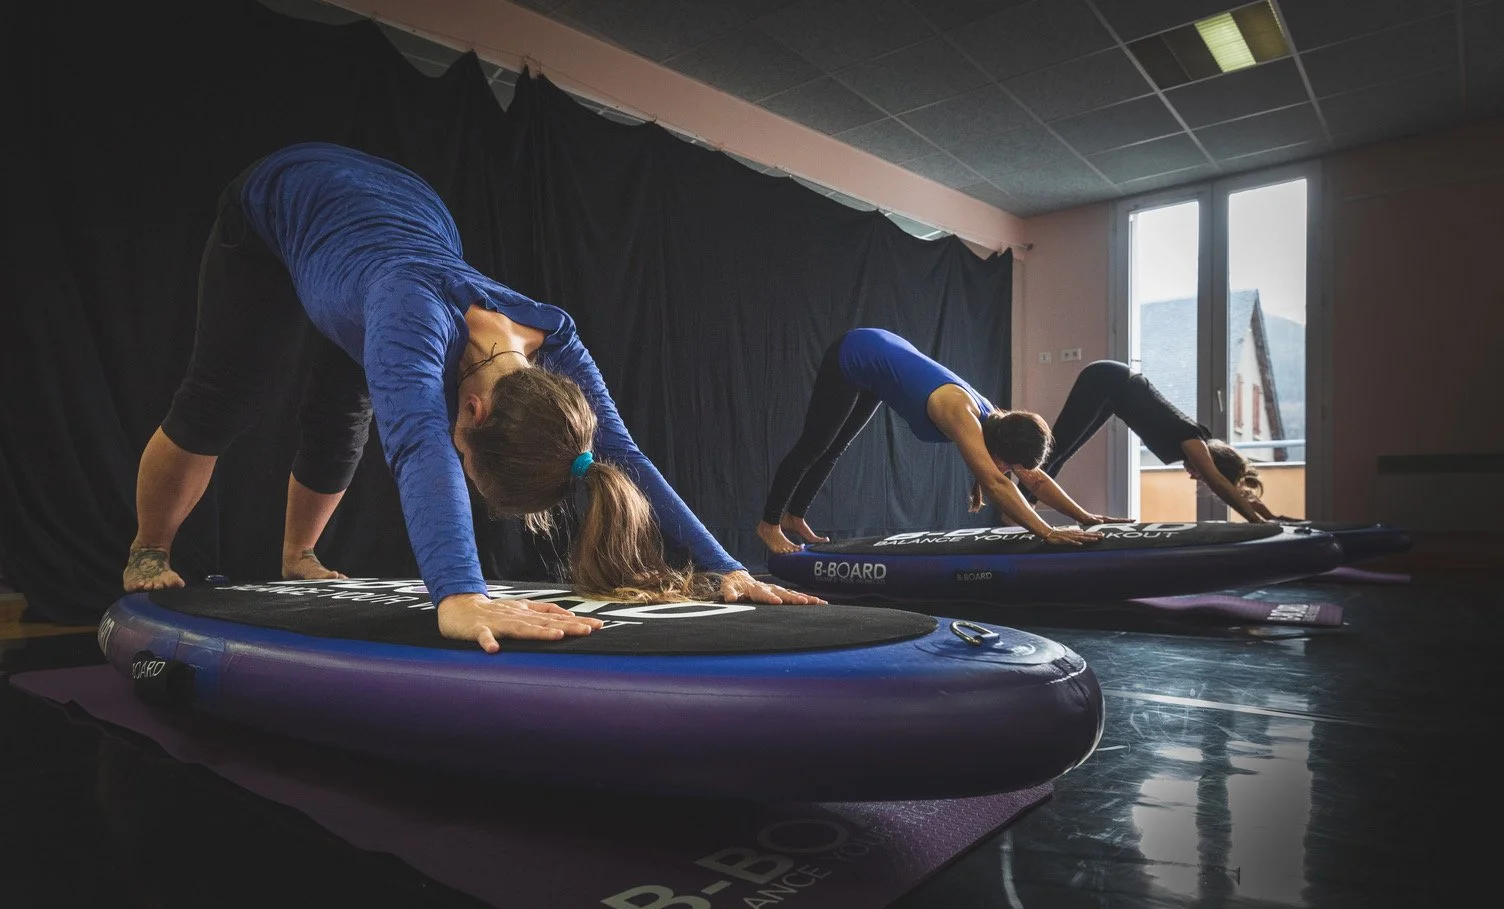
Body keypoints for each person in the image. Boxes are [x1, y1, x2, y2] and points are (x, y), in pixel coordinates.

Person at [124, 141, 820, 653]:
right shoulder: (409, 312)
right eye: (468, 457)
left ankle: (296, 557)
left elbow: (621, 452)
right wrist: (459, 594)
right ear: (476, 413)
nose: (454, 456)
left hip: (411, 202)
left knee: (346, 411)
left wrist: (723, 567)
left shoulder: (553, 337)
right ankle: (148, 549)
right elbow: (421, 445)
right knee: (221, 398)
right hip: (286, 192)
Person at [758, 327, 1126, 554]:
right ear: (1000, 452)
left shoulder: (997, 420)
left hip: (883, 358)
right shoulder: (959, 412)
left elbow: (1032, 477)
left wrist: (1084, 517)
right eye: (1011, 465)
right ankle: (770, 524)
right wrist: (1047, 532)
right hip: (857, 352)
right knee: (814, 444)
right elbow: (998, 483)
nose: (1014, 473)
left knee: (835, 447)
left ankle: (795, 516)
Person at [1039, 360, 1289, 523]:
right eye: (1200, 474)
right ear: (1213, 462)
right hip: (1107, 379)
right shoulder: (1194, 441)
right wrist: (1259, 524)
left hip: (1114, 388)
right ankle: (1016, 511)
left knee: (1061, 452)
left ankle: (1022, 506)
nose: (1194, 476)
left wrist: (1272, 516)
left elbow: (1233, 487)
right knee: (1055, 449)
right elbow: (1221, 484)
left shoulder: (1196, 441)